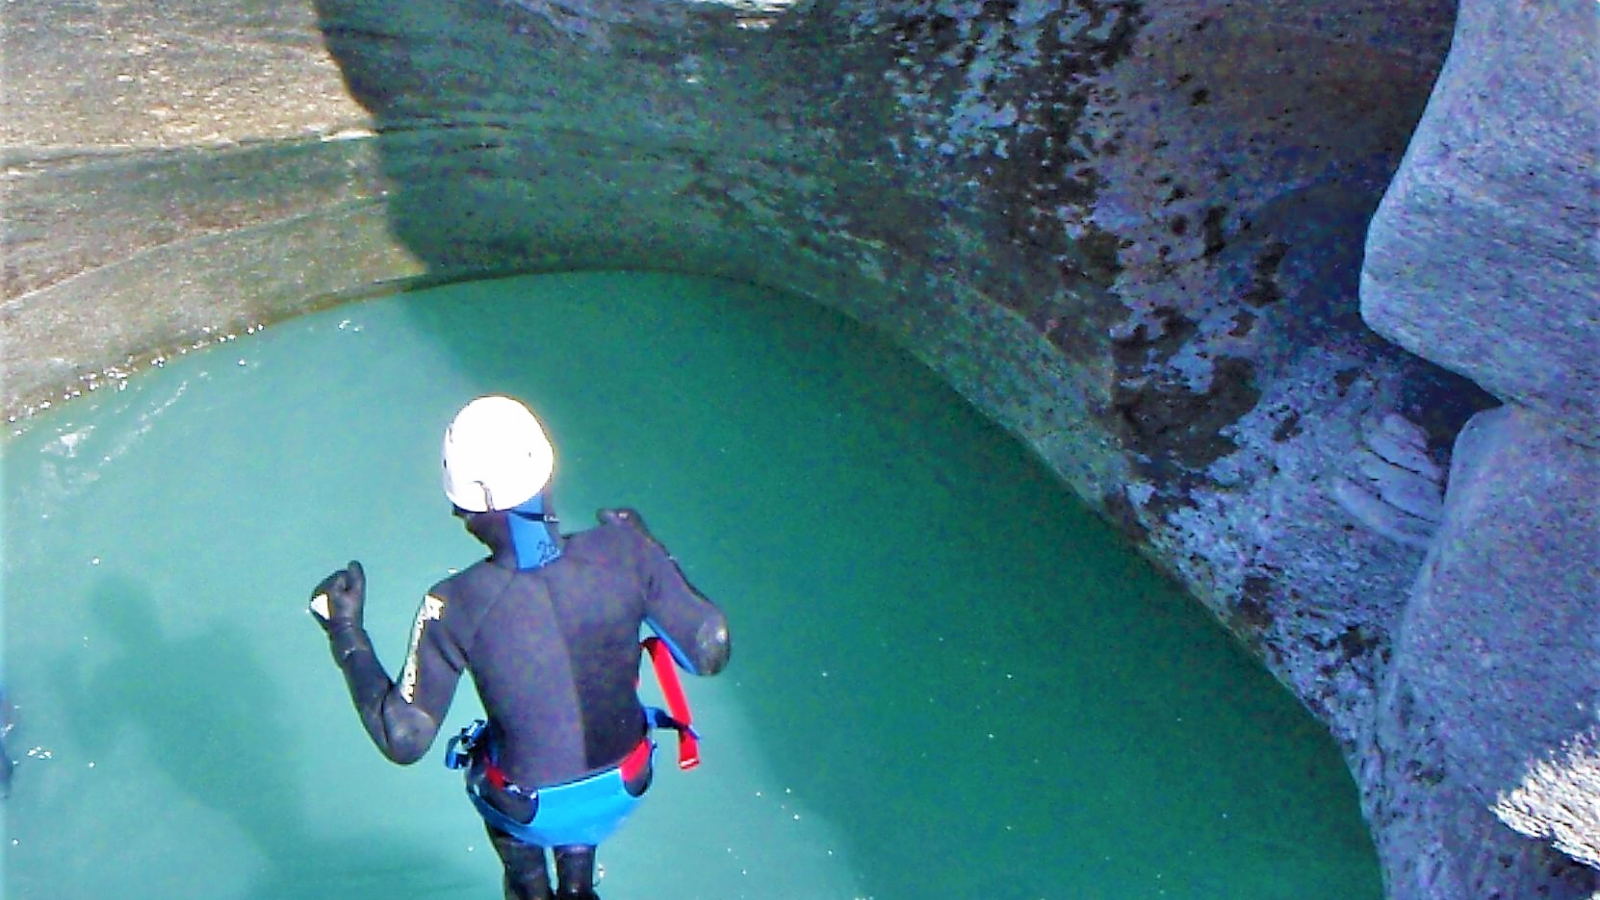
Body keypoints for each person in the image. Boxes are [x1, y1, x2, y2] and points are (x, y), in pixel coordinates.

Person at [308, 394, 731, 900]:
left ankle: (532, 890)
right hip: (627, 783)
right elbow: (709, 650)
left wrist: (345, 631)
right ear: (548, 469)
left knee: (515, 811)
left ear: (462, 508)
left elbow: (403, 736)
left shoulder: (453, 602)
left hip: (526, 809)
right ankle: (577, 885)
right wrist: (651, 550)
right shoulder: (623, 549)